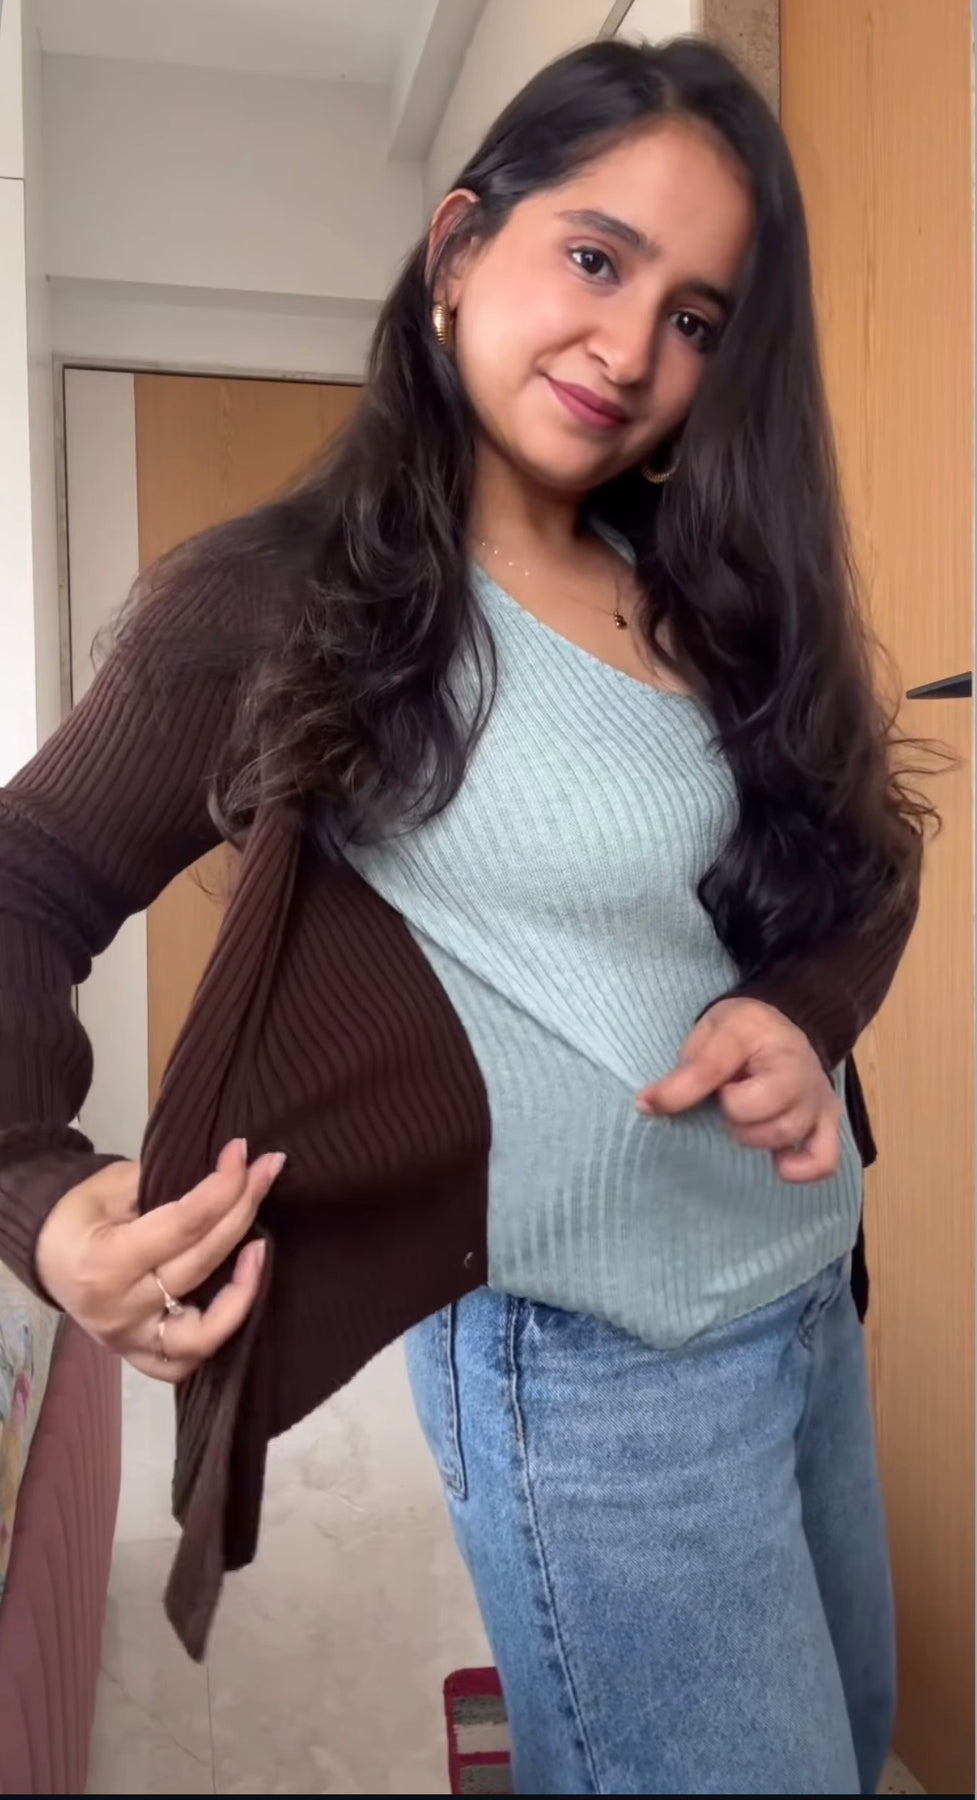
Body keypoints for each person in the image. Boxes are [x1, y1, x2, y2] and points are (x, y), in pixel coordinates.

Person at [0, 36, 926, 1797]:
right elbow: (21, 880)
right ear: (455, 249)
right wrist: (39, 1202)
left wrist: (795, 1012)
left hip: (803, 1299)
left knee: (855, 1744)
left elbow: (867, 859)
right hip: (596, 1382)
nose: (629, 349)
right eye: (594, 257)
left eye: (695, 317)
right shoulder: (277, 603)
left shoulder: (695, 588)